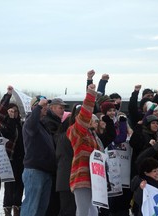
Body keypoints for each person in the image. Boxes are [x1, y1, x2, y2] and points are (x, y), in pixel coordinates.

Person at [67, 83, 101, 216]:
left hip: (95, 180)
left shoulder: (91, 135)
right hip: (82, 179)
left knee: (93, 213)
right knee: (83, 212)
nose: (90, 119)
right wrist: (91, 94)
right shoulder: (75, 131)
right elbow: (85, 116)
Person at [20, 96, 56, 216]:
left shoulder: (43, 126)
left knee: (41, 209)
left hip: (46, 171)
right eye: (43, 106)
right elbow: (31, 123)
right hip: (34, 171)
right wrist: (39, 106)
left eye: (46, 105)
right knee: (31, 208)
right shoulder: (30, 123)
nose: (46, 108)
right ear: (35, 107)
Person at [0, 86, 24, 216]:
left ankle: (17, 209)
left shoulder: (21, 124)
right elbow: (1, 110)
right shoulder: (4, 123)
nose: (13, 113)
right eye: (11, 111)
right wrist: (8, 95)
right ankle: (7, 210)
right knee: (9, 187)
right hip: (9, 159)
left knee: (20, 186)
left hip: (21, 160)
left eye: (15, 111)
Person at [42, 97, 67, 216]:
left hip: (56, 167)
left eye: (64, 108)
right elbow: (54, 142)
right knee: (52, 202)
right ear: (51, 108)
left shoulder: (57, 121)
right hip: (51, 166)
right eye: (60, 108)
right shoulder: (49, 122)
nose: (63, 110)